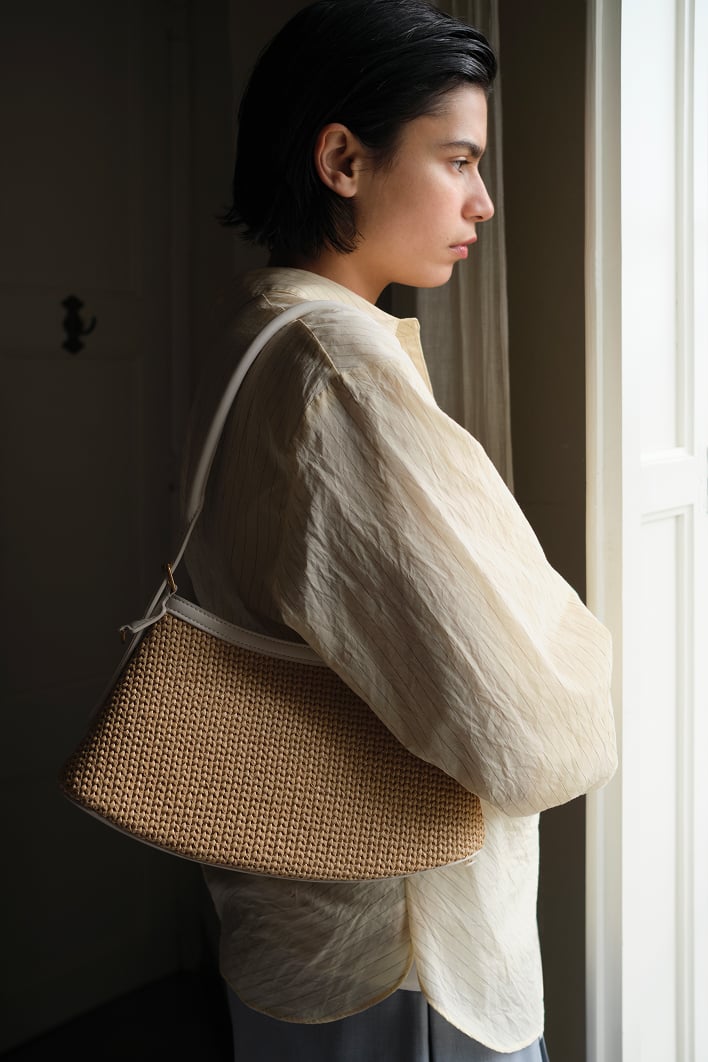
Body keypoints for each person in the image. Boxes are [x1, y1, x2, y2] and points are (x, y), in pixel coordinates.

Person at [181, 1, 618, 1058]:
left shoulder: (266, 338)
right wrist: (584, 656)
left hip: (304, 923)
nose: (486, 200)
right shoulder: (341, 375)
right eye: (458, 159)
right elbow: (530, 736)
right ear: (342, 158)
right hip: (409, 955)